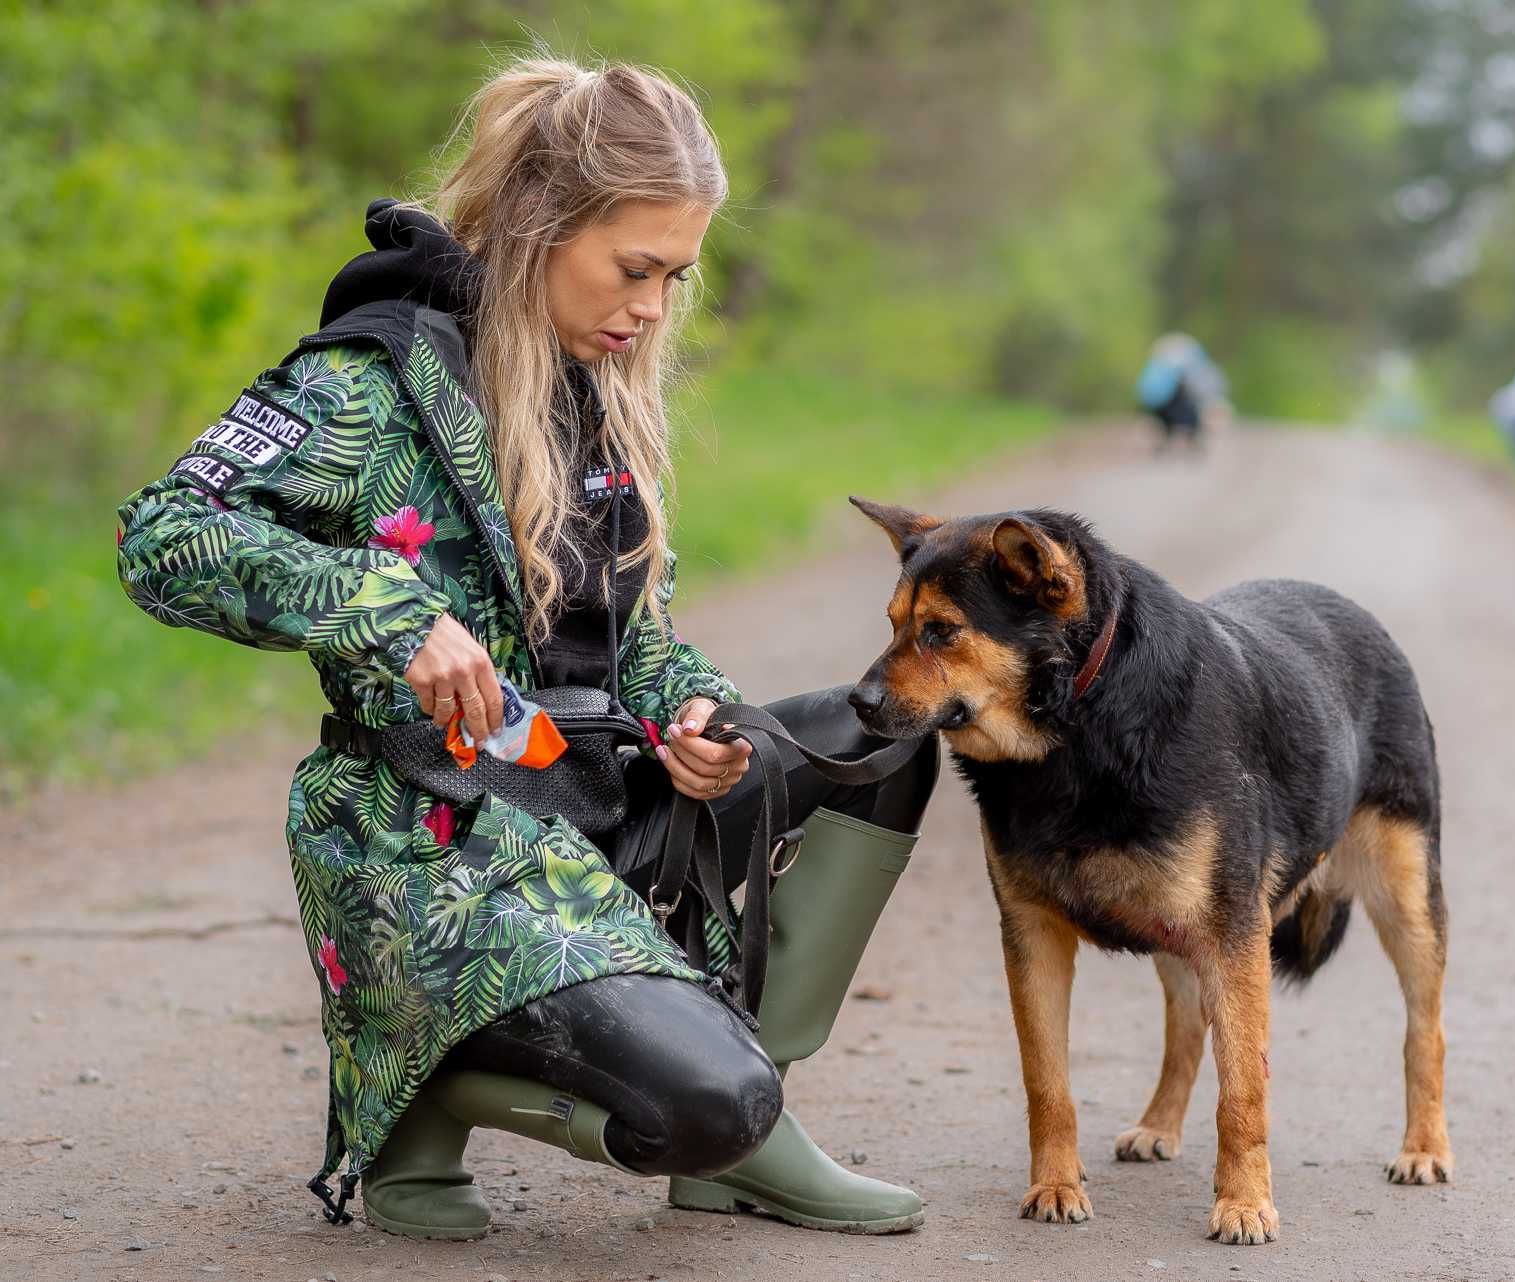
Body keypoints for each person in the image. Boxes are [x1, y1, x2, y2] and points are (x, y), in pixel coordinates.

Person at [114, 57, 940, 1241]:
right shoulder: (370, 381)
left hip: (588, 797)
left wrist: (698, 720)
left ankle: (742, 1119)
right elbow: (165, 534)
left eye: (676, 275)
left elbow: (636, 649)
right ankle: (432, 1088)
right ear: (543, 224)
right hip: (431, 834)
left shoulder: (592, 384)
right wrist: (391, 613)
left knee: (887, 738)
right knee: (710, 1098)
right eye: (635, 267)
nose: (653, 306)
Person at [1135, 332, 1229, 448]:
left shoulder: (1157, 365)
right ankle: (1190, 437)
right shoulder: (1191, 363)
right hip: (1174, 403)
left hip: (1156, 404)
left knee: (1177, 412)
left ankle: (1171, 437)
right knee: (1189, 411)